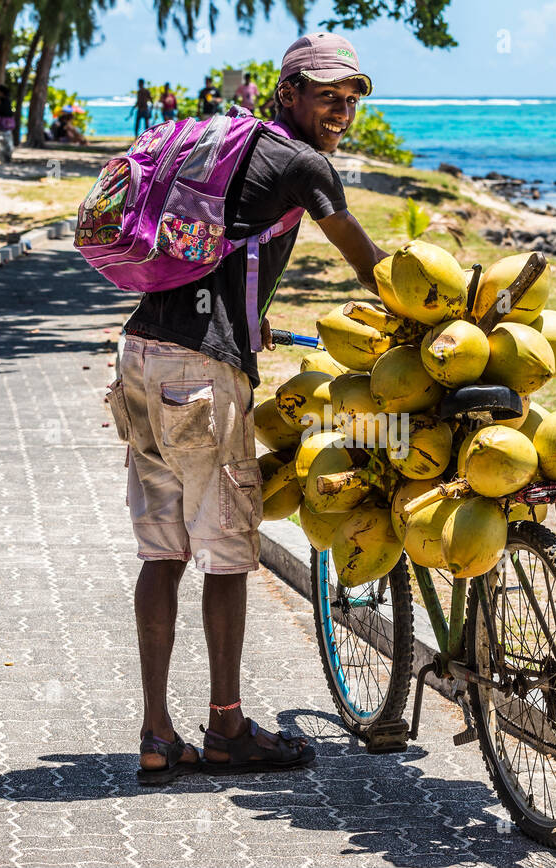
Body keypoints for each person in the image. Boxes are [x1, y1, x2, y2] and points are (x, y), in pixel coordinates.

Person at [121, 33, 383, 781]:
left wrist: (248, 316)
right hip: (202, 374)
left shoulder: (236, 144)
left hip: (141, 354)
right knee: (229, 550)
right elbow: (366, 261)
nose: (340, 109)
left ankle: (156, 733)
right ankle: (228, 728)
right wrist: (426, 315)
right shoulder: (303, 163)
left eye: (351, 97)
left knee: (162, 550)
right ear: (288, 93)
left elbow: (221, 243)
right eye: (326, 94)